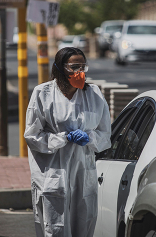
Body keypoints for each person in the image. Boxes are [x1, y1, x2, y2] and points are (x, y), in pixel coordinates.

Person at [24, 47, 112, 237]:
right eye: (74, 67)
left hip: (83, 170)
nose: (79, 72)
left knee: (84, 221)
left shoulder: (94, 95)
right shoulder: (43, 93)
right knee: (54, 225)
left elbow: (105, 134)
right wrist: (61, 138)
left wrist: (90, 138)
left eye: (82, 67)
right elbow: (32, 135)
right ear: (60, 68)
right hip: (53, 172)